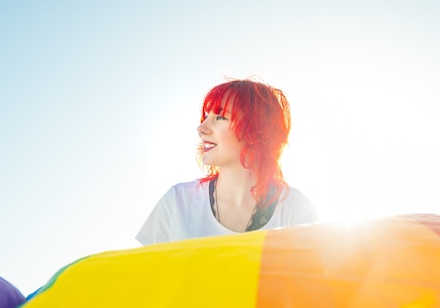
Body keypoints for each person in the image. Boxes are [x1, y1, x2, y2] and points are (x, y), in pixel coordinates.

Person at [136, 78, 317, 245]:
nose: (201, 128)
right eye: (206, 117)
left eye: (220, 117)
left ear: (257, 129)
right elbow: (145, 276)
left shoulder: (294, 208)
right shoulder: (177, 202)